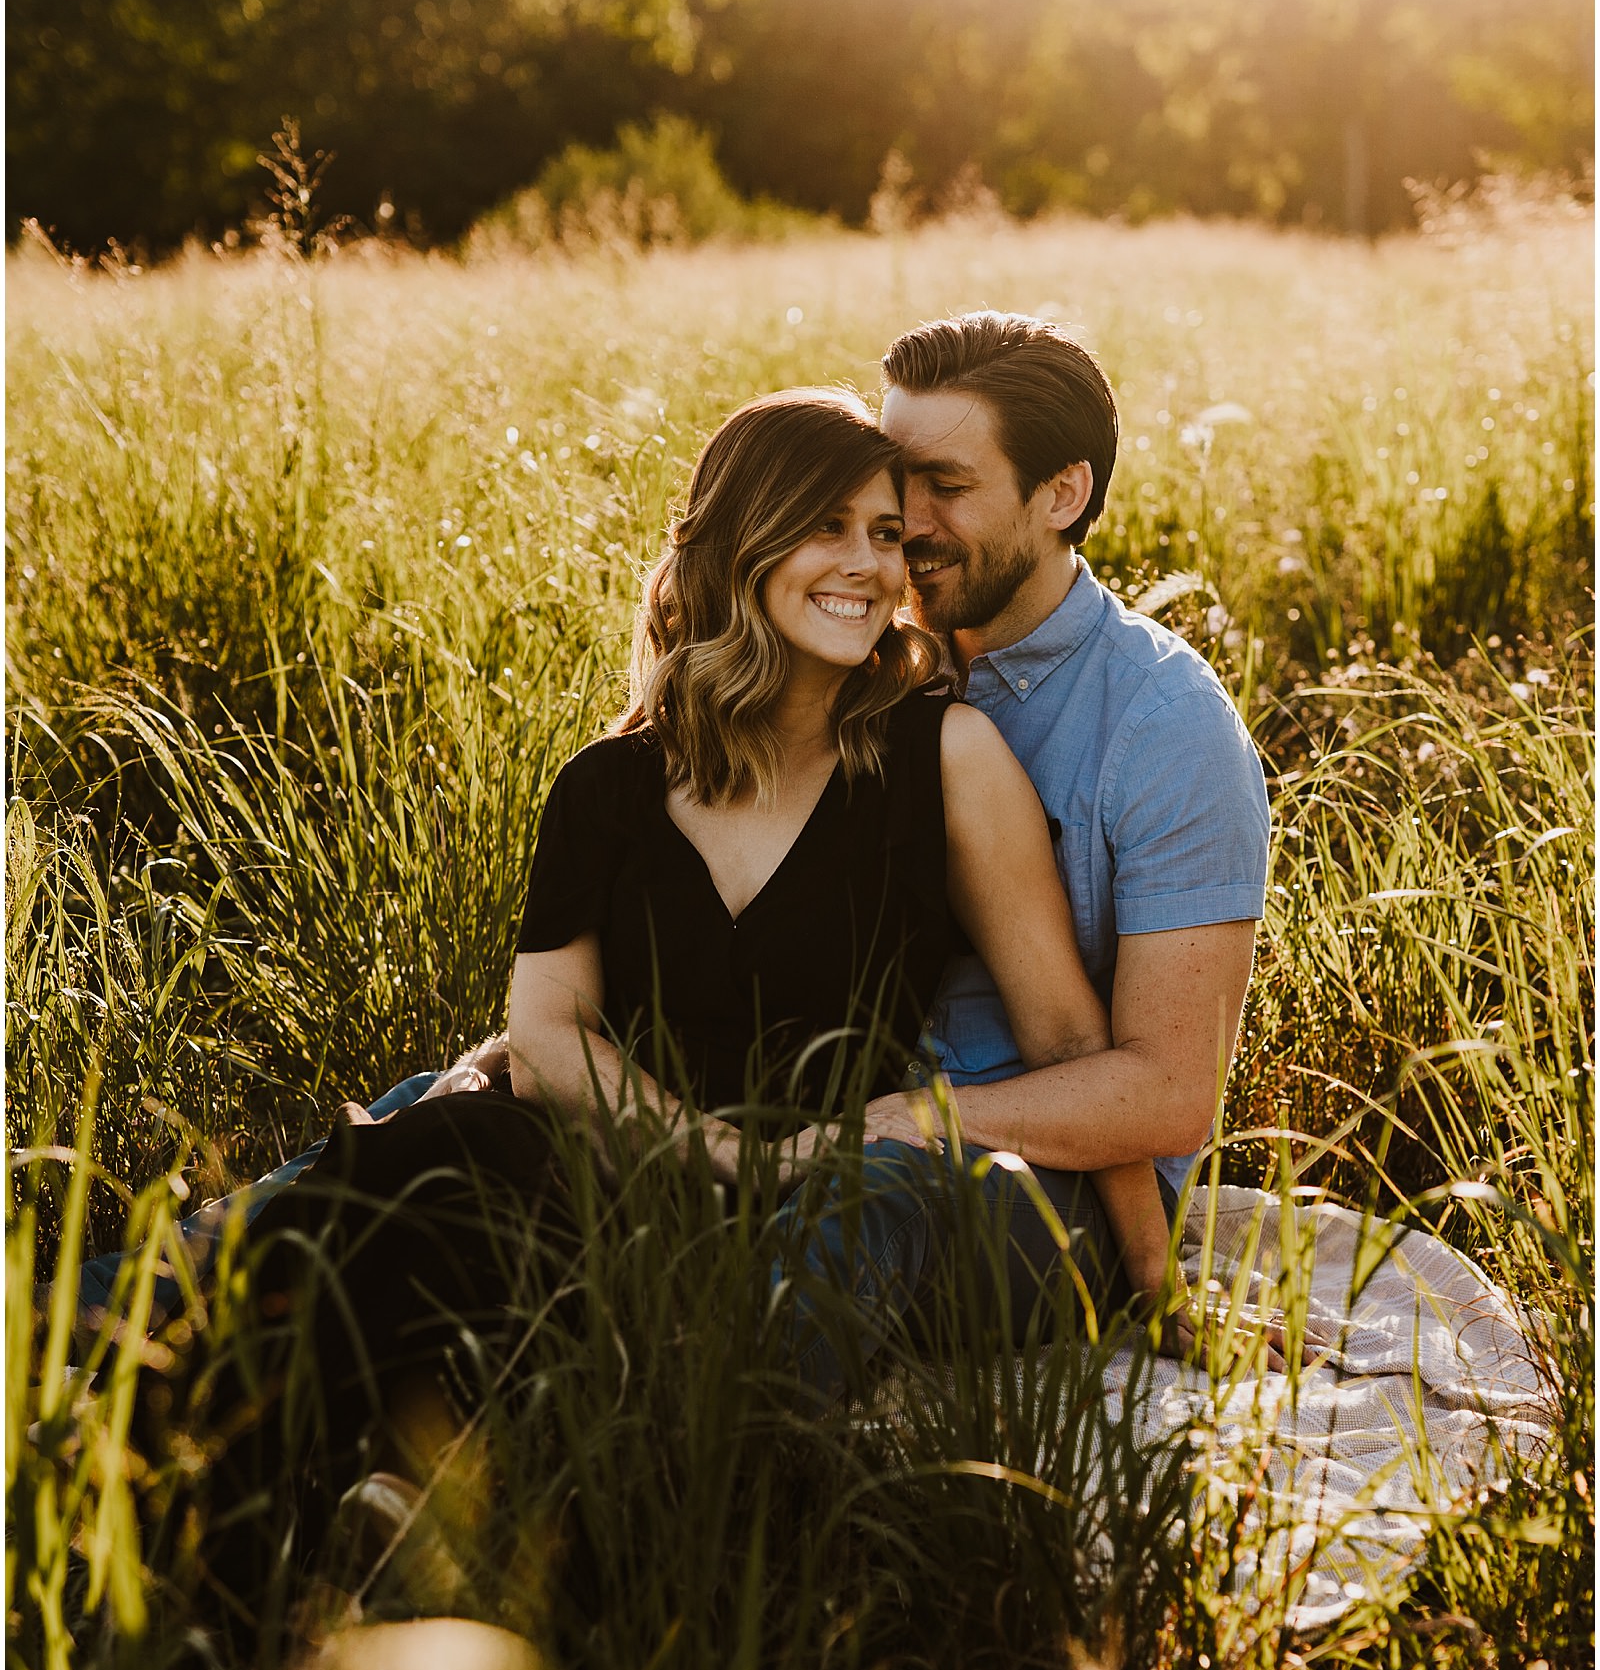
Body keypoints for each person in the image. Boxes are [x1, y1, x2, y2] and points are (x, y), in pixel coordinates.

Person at [108, 390, 1186, 1555]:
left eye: (884, 534)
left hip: (824, 1179)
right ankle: (202, 1496)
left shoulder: (941, 755)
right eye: (826, 526)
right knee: (427, 1149)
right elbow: (550, 1036)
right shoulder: (608, 786)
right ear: (741, 543)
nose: (869, 565)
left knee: (844, 1210)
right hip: (647, 1165)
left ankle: (577, 1527)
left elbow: (1069, 1042)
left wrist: (1156, 1280)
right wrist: (708, 1150)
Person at [848, 308, 1272, 1267]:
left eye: (948, 486)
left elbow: (1168, 1090)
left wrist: (926, 1117)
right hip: (839, 1102)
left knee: (858, 1212)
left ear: (1063, 493)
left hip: (1065, 1181)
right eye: (896, 476)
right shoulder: (859, 651)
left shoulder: (1167, 726)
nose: (908, 521)